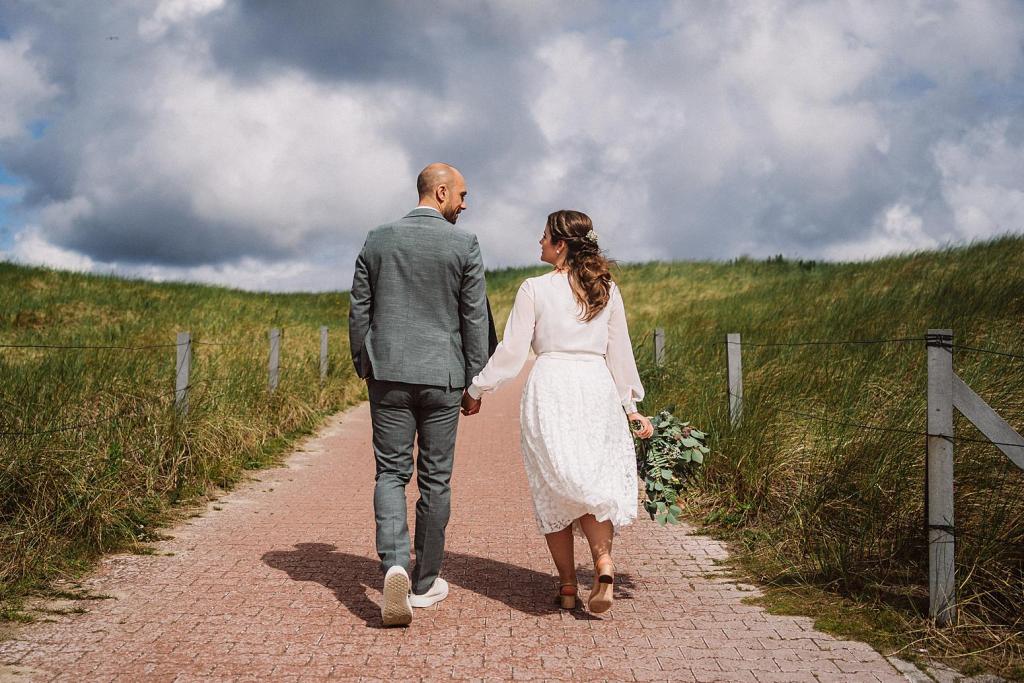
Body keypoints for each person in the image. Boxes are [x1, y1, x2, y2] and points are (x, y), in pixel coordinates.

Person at [462, 209, 653, 614]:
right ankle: (603, 563)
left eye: (545, 235)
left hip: (551, 387)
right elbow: (620, 353)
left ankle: (568, 587)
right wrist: (630, 407)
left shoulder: (534, 289)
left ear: (560, 244)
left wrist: (477, 388)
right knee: (592, 482)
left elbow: (512, 352)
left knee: (554, 488)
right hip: (596, 387)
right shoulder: (606, 289)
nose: (539, 240)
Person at [348, 163, 495, 626]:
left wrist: (365, 364)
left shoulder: (377, 238)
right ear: (441, 191)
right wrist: (476, 382)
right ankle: (425, 581)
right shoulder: (463, 244)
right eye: (462, 196)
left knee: (390, 473)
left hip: (388, 374)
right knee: (435, 478)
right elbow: (474, 318)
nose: (465, 205)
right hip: (443, 378)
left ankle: (393, 561)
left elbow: (359, 310)